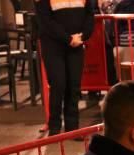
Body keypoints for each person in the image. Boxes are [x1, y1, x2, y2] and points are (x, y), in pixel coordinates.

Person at [35, 0, 96, 136]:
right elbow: (45, 21)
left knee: (74, 85)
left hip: (76, 42)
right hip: (53, 44)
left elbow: (90, 14)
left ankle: (72, 128)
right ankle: (55, 127)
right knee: (58, 84)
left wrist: (82, 36)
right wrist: (68, 39)